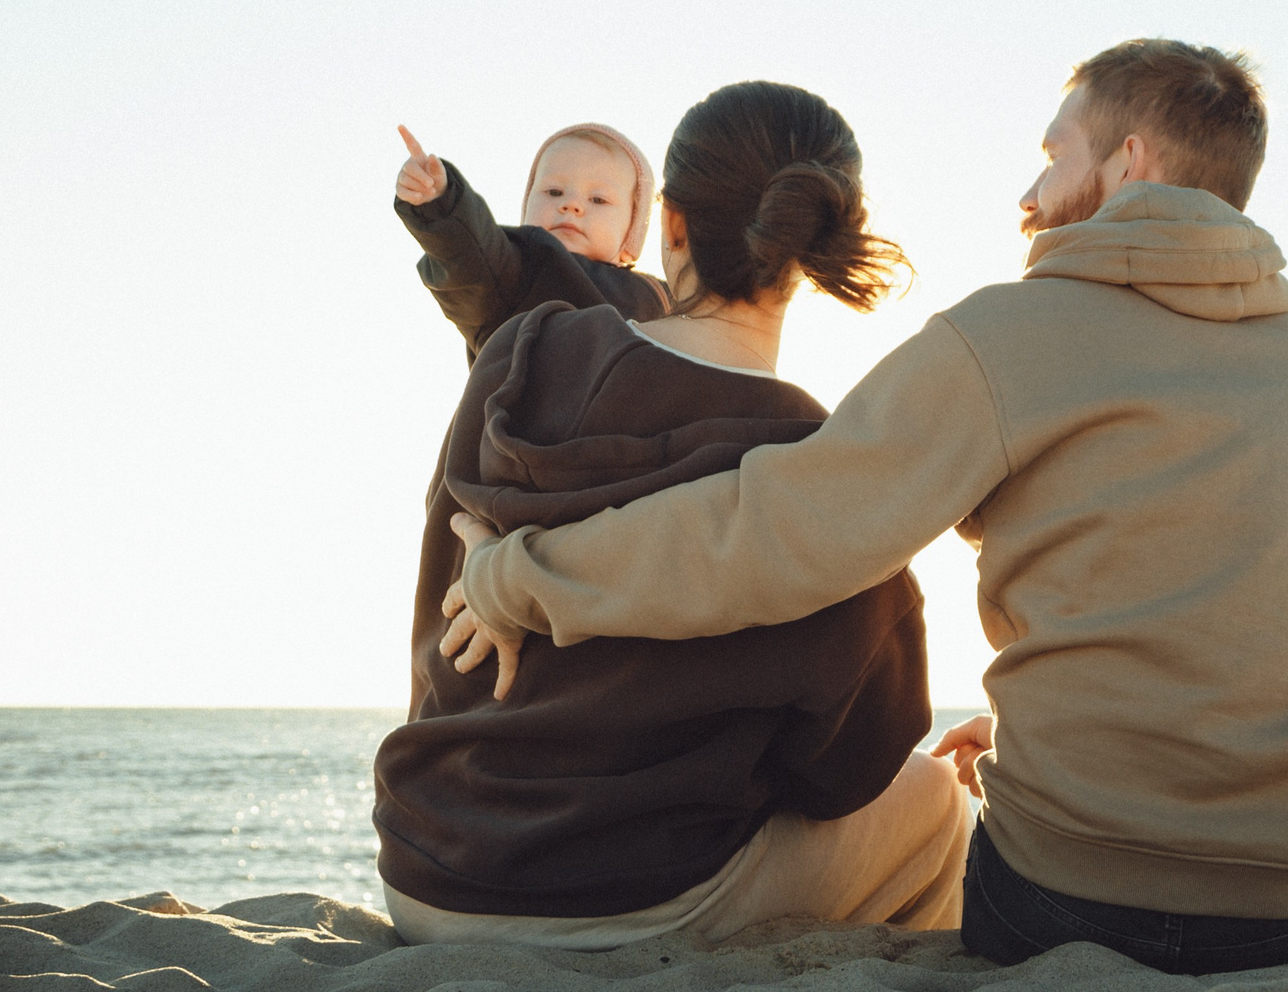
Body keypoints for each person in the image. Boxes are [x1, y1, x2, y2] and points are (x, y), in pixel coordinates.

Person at [441, 39, 1288, 976]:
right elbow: (1278, 628)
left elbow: (774, 532)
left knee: (960, 834)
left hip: (1083, 897)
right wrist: (1044, 726)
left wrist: (513, 577)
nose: (1027, 196)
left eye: (1053, 158)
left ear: (1128, 163)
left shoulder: (1007, 340)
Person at [375, 81, 972, 948]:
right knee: (938, 802)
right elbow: (842, 771)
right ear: (807, 252)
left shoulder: (519, 351)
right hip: (625, 904)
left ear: (670, 225)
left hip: (427, 871)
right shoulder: (815, 462)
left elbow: (442, 615)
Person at [394, 120, 669, 362]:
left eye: (598, 199)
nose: (571, 204)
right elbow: (470, 254)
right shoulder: (516, 270)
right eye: (554, 191)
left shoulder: (662, 295)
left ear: (631, 232)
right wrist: (442, 201)